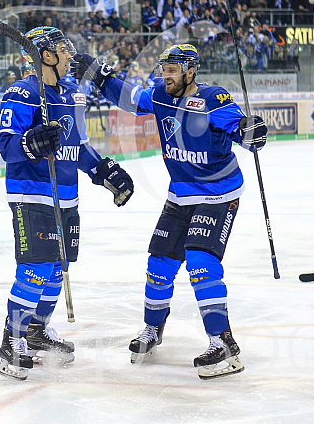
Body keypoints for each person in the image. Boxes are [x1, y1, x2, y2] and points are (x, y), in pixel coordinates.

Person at [73, 43, 268, 379]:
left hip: (218, 194)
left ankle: (223, 344)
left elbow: (238, 126)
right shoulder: (161, 95)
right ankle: (152, 329)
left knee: (200, 263)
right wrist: (99, 76)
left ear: (191, 72)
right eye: (164, 70)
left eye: (173, 71)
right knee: (159, 263)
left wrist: (249, 133)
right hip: (180, 195)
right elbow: (130, 98)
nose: (166, 76)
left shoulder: (212, 99)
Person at [0, 26, 134, 381]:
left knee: (58, 269)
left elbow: (79, 146)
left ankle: (36, 330)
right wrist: (30, 143)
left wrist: (105, 170)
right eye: (62, 49)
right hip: (31, 193)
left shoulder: (71, 92)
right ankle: (12, 340)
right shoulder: (21, 92)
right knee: (35, 270)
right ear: (44, 55)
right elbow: (5, 145)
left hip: (66, 194)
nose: (70, 54)